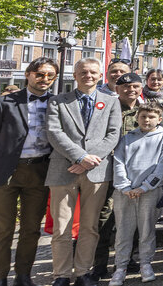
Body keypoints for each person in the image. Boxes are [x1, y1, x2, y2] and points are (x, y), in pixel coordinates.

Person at [44, 57, 122, 286]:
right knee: (62, 227)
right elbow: (54, 132)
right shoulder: (58, 101)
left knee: (89, 226)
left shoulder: (111, 102)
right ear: (75, 75)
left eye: (93, 72)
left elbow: (113, 134)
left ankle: (82, 272)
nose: (88, 76)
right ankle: (61, 274)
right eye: (83, 72)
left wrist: (88, 161)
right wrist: (79, 157)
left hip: (96, 172)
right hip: (63, 168)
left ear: (100, 76)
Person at [0, 57, 59, 286]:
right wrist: (5, 161)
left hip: (39, 172)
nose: (44, 79)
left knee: (31, 229)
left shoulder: (58, 103)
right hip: (6, 173)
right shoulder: (4, 103)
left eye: (49, 75)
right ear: (28, 75)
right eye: (39, 74)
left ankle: (23, 275)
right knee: (2, 230)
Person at [109, 101, 163, 286]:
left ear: (159, 119)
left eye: (151, 117)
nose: (147, 120)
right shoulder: (128, 137)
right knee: (123, 231)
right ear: (137, 118)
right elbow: (119, 161)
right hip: (125, 192)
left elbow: (162, 167)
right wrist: (125, 186)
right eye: (143, 116)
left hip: (149, 192)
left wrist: (144, 187)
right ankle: (120, 267)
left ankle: (145, 264)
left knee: (146, 230)